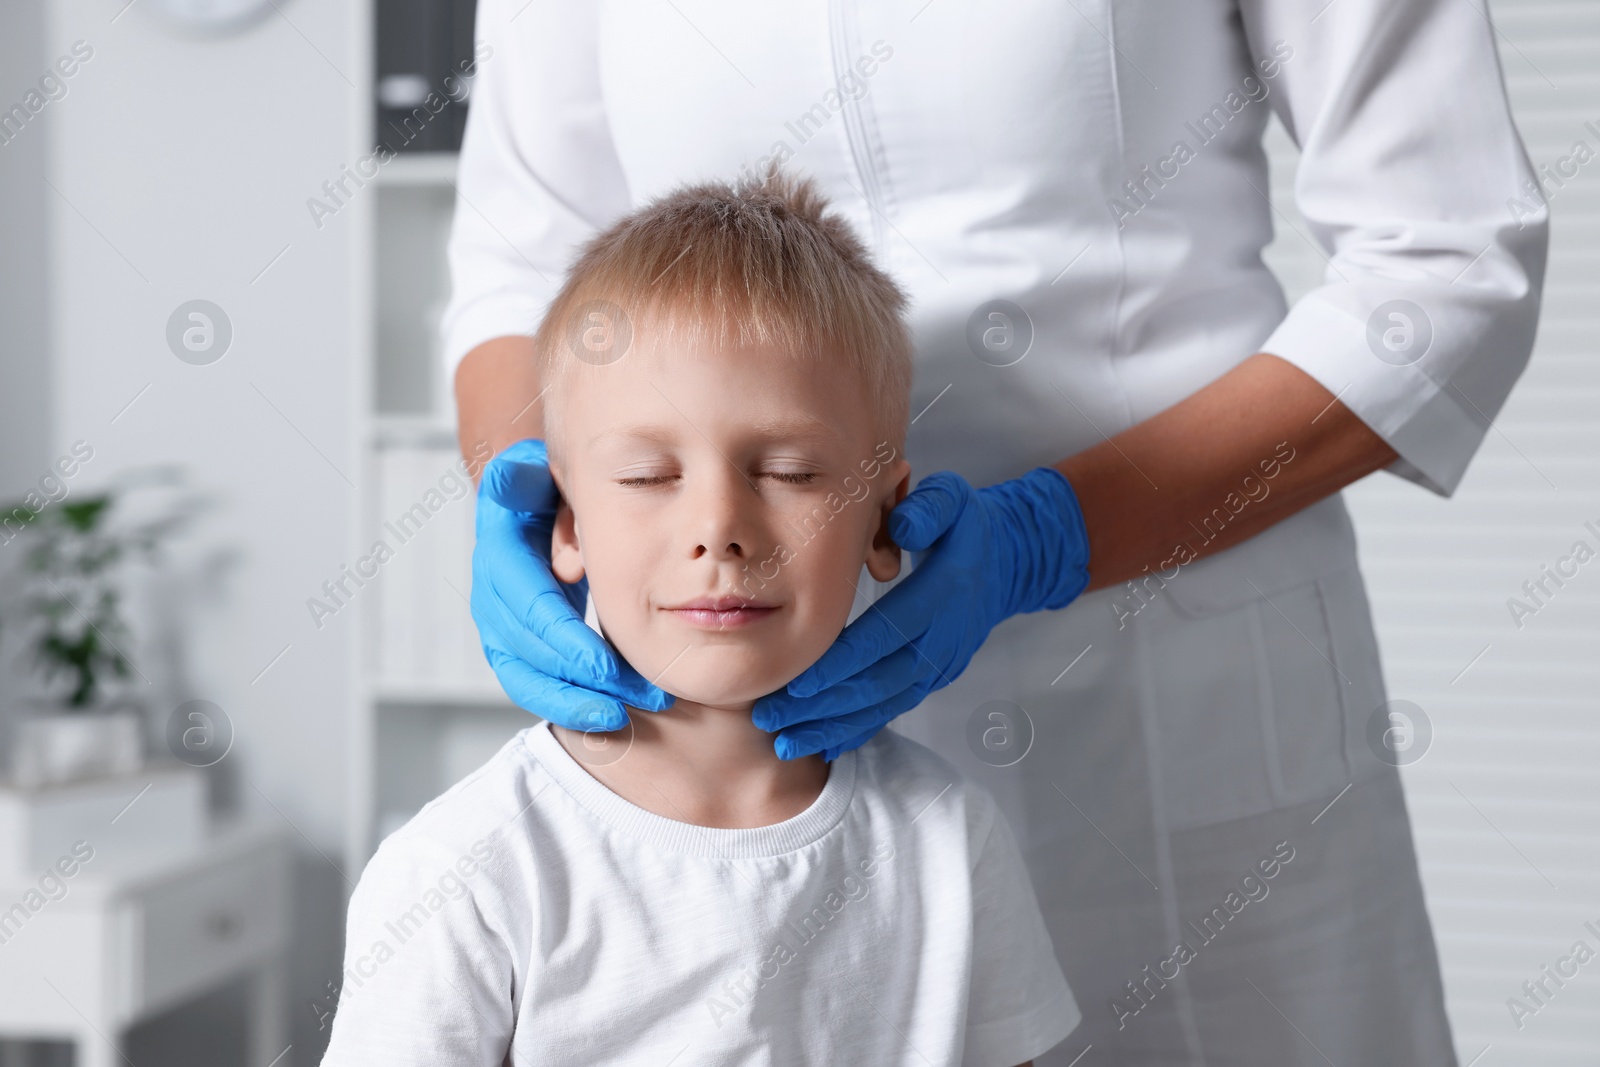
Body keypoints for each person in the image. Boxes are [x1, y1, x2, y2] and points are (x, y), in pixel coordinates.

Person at [446, 2, 1548, 1062]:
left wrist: (1049, 533)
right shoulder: (469, 870)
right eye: (641, 477)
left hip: (1177, 675)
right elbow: (519, 264)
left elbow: (1443, 257)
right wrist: (530, 489)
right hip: (726, 740)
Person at [322, 171, 1079, 1066]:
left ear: (886, 521)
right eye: (647, 477)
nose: (718, 528)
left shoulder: (948, 839)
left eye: (792, 471)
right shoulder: (462, 872)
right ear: (562, 524)